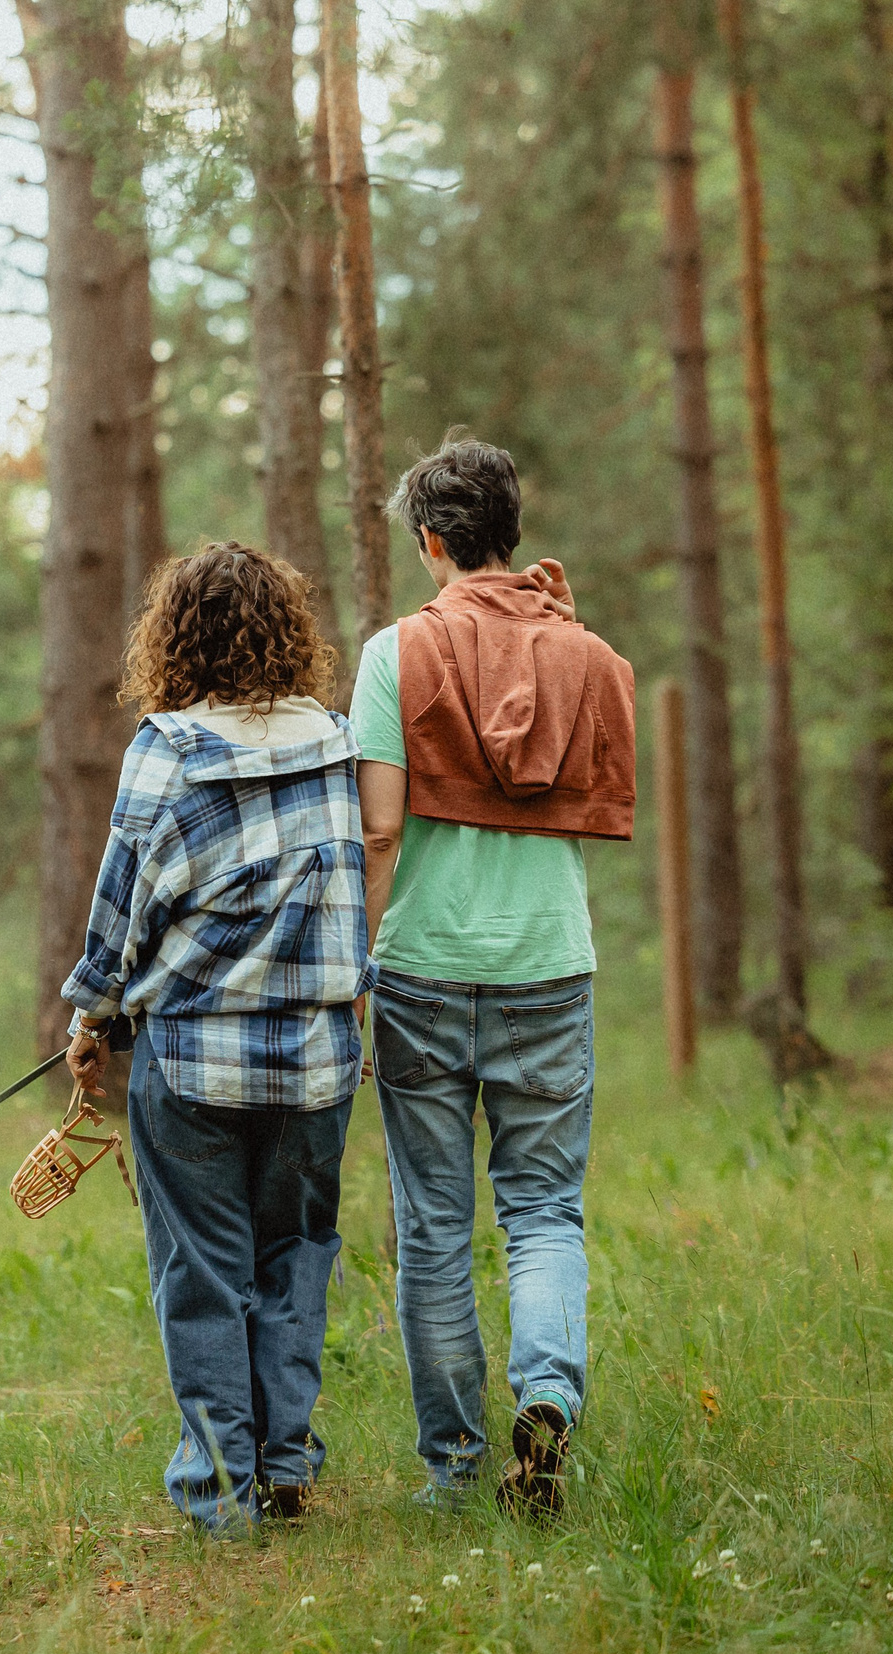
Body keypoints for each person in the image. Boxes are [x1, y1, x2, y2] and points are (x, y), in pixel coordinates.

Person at [61, 541, 375, 1534]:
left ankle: (217, 1490)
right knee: (295, 1257)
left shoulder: (167, 747)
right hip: (317, 1062)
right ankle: (284, 1463)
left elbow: (121, 907)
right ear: (288, 633)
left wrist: (91, 1017)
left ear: (174, 636)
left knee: (203, 1271)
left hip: (191, 1059)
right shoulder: (333, 739)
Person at [350, 436, 635, 1516]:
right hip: (548, 967)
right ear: (511, 530)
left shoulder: (395, 653)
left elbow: (380, 832)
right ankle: (548, 1395)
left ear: (431, 540)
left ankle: (454, 1466)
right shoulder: (586, 654)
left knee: (431, 1222)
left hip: (421, 965)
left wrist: (359, 967)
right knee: (545, 1209)